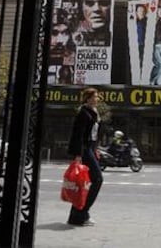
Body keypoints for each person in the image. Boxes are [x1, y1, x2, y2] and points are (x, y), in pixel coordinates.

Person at [67, 87, 103, 226]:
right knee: (98, 179)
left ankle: (75, 217)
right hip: (84, 150)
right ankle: (83, 213)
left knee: (83, 183)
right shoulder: (83, 113)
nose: (97, 99)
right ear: (88, 98)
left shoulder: (93, 113)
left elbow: (92, 135)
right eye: (94, 97)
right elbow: (78, 135)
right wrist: (78, 155)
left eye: (97, 97)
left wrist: (96, 149)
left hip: (90, 149)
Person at [150, 8, 161, 85]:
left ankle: (155, 81)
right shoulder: (157, 22)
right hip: (157, 45)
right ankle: (152, 80)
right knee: (159, 65)